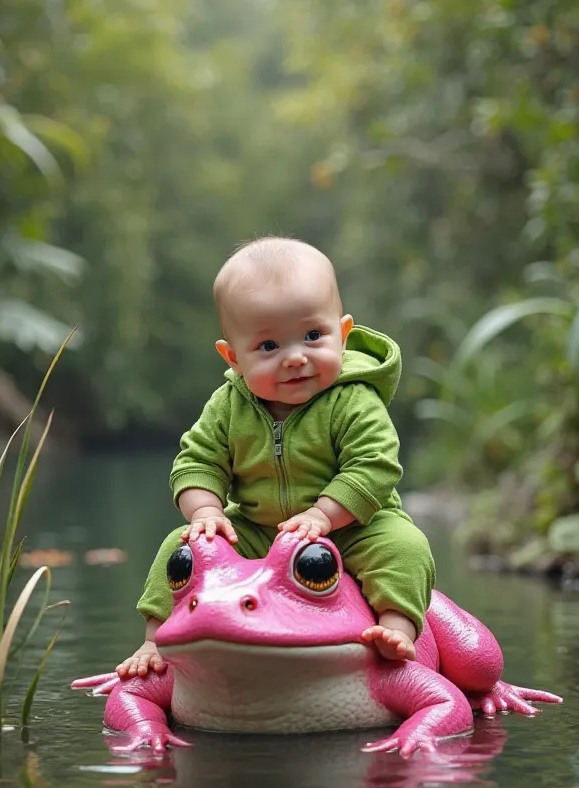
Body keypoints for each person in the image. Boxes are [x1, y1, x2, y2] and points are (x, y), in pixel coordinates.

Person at [116, 236, 435, 680]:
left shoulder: (354, 400)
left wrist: (324, 515)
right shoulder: (229, 405)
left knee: (406, 547)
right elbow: (196, 461)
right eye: (269, 347)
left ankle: (396, 628)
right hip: (257, 529)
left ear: (342, 334)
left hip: (353, 527)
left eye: (313, 335)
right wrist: (206, 512)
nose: (296, 357)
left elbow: (374, 467)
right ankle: (154, 640)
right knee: (181, 547)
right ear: (234, 357)